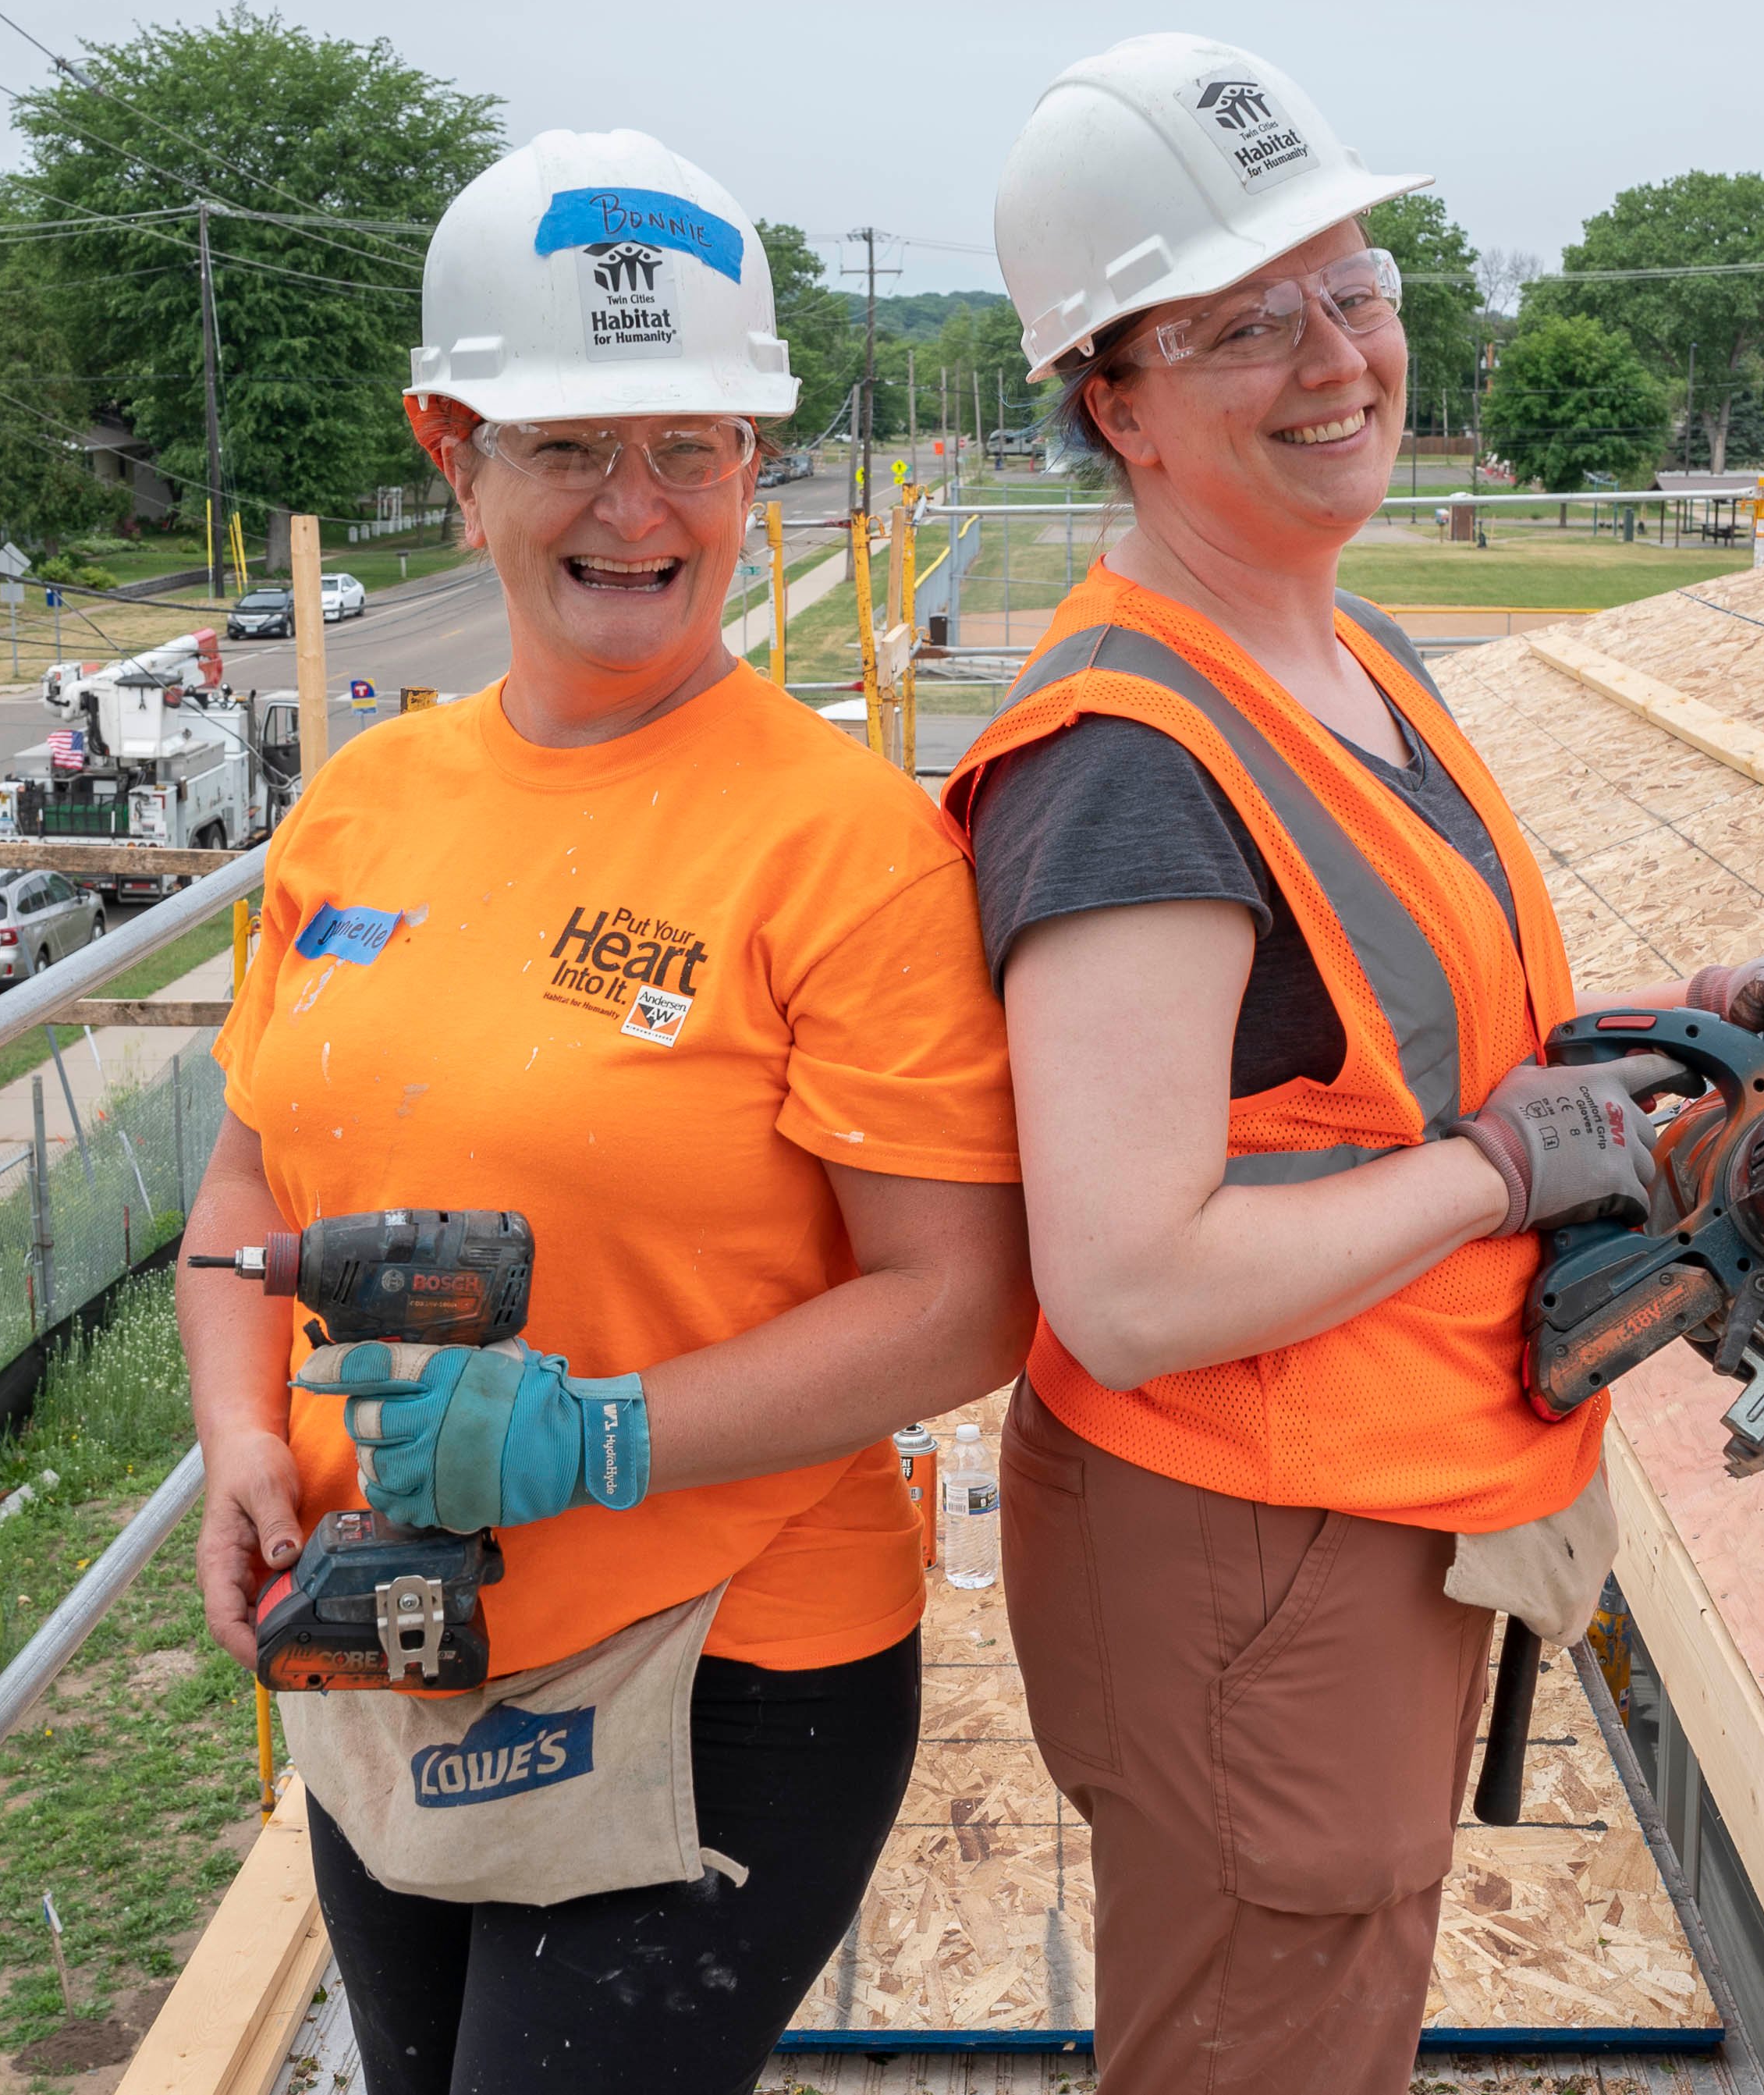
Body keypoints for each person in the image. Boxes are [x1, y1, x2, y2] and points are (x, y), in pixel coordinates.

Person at [949, 37, 1764, 2093]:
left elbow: (1407, 1064)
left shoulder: (1341, 646)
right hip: (1252, 1554)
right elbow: (1126, 1288)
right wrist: (1506, 1172)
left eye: (1355, 284)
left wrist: (1688, 1035)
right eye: (1241, 322)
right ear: (1114, 405)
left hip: (1370, 1516)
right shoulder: (1131, 767)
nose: (1336, 355)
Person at [177, 130, 1034, 2095]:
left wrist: (596, 1433)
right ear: (448, 450)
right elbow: (244, 1175)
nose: (637, 510)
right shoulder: (362, 806)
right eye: (569, 446)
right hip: (388, 1620)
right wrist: (242, 1433)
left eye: (694, 446)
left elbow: (960, 1305)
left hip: (717, 1656)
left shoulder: (843, 849)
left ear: (757, 463)